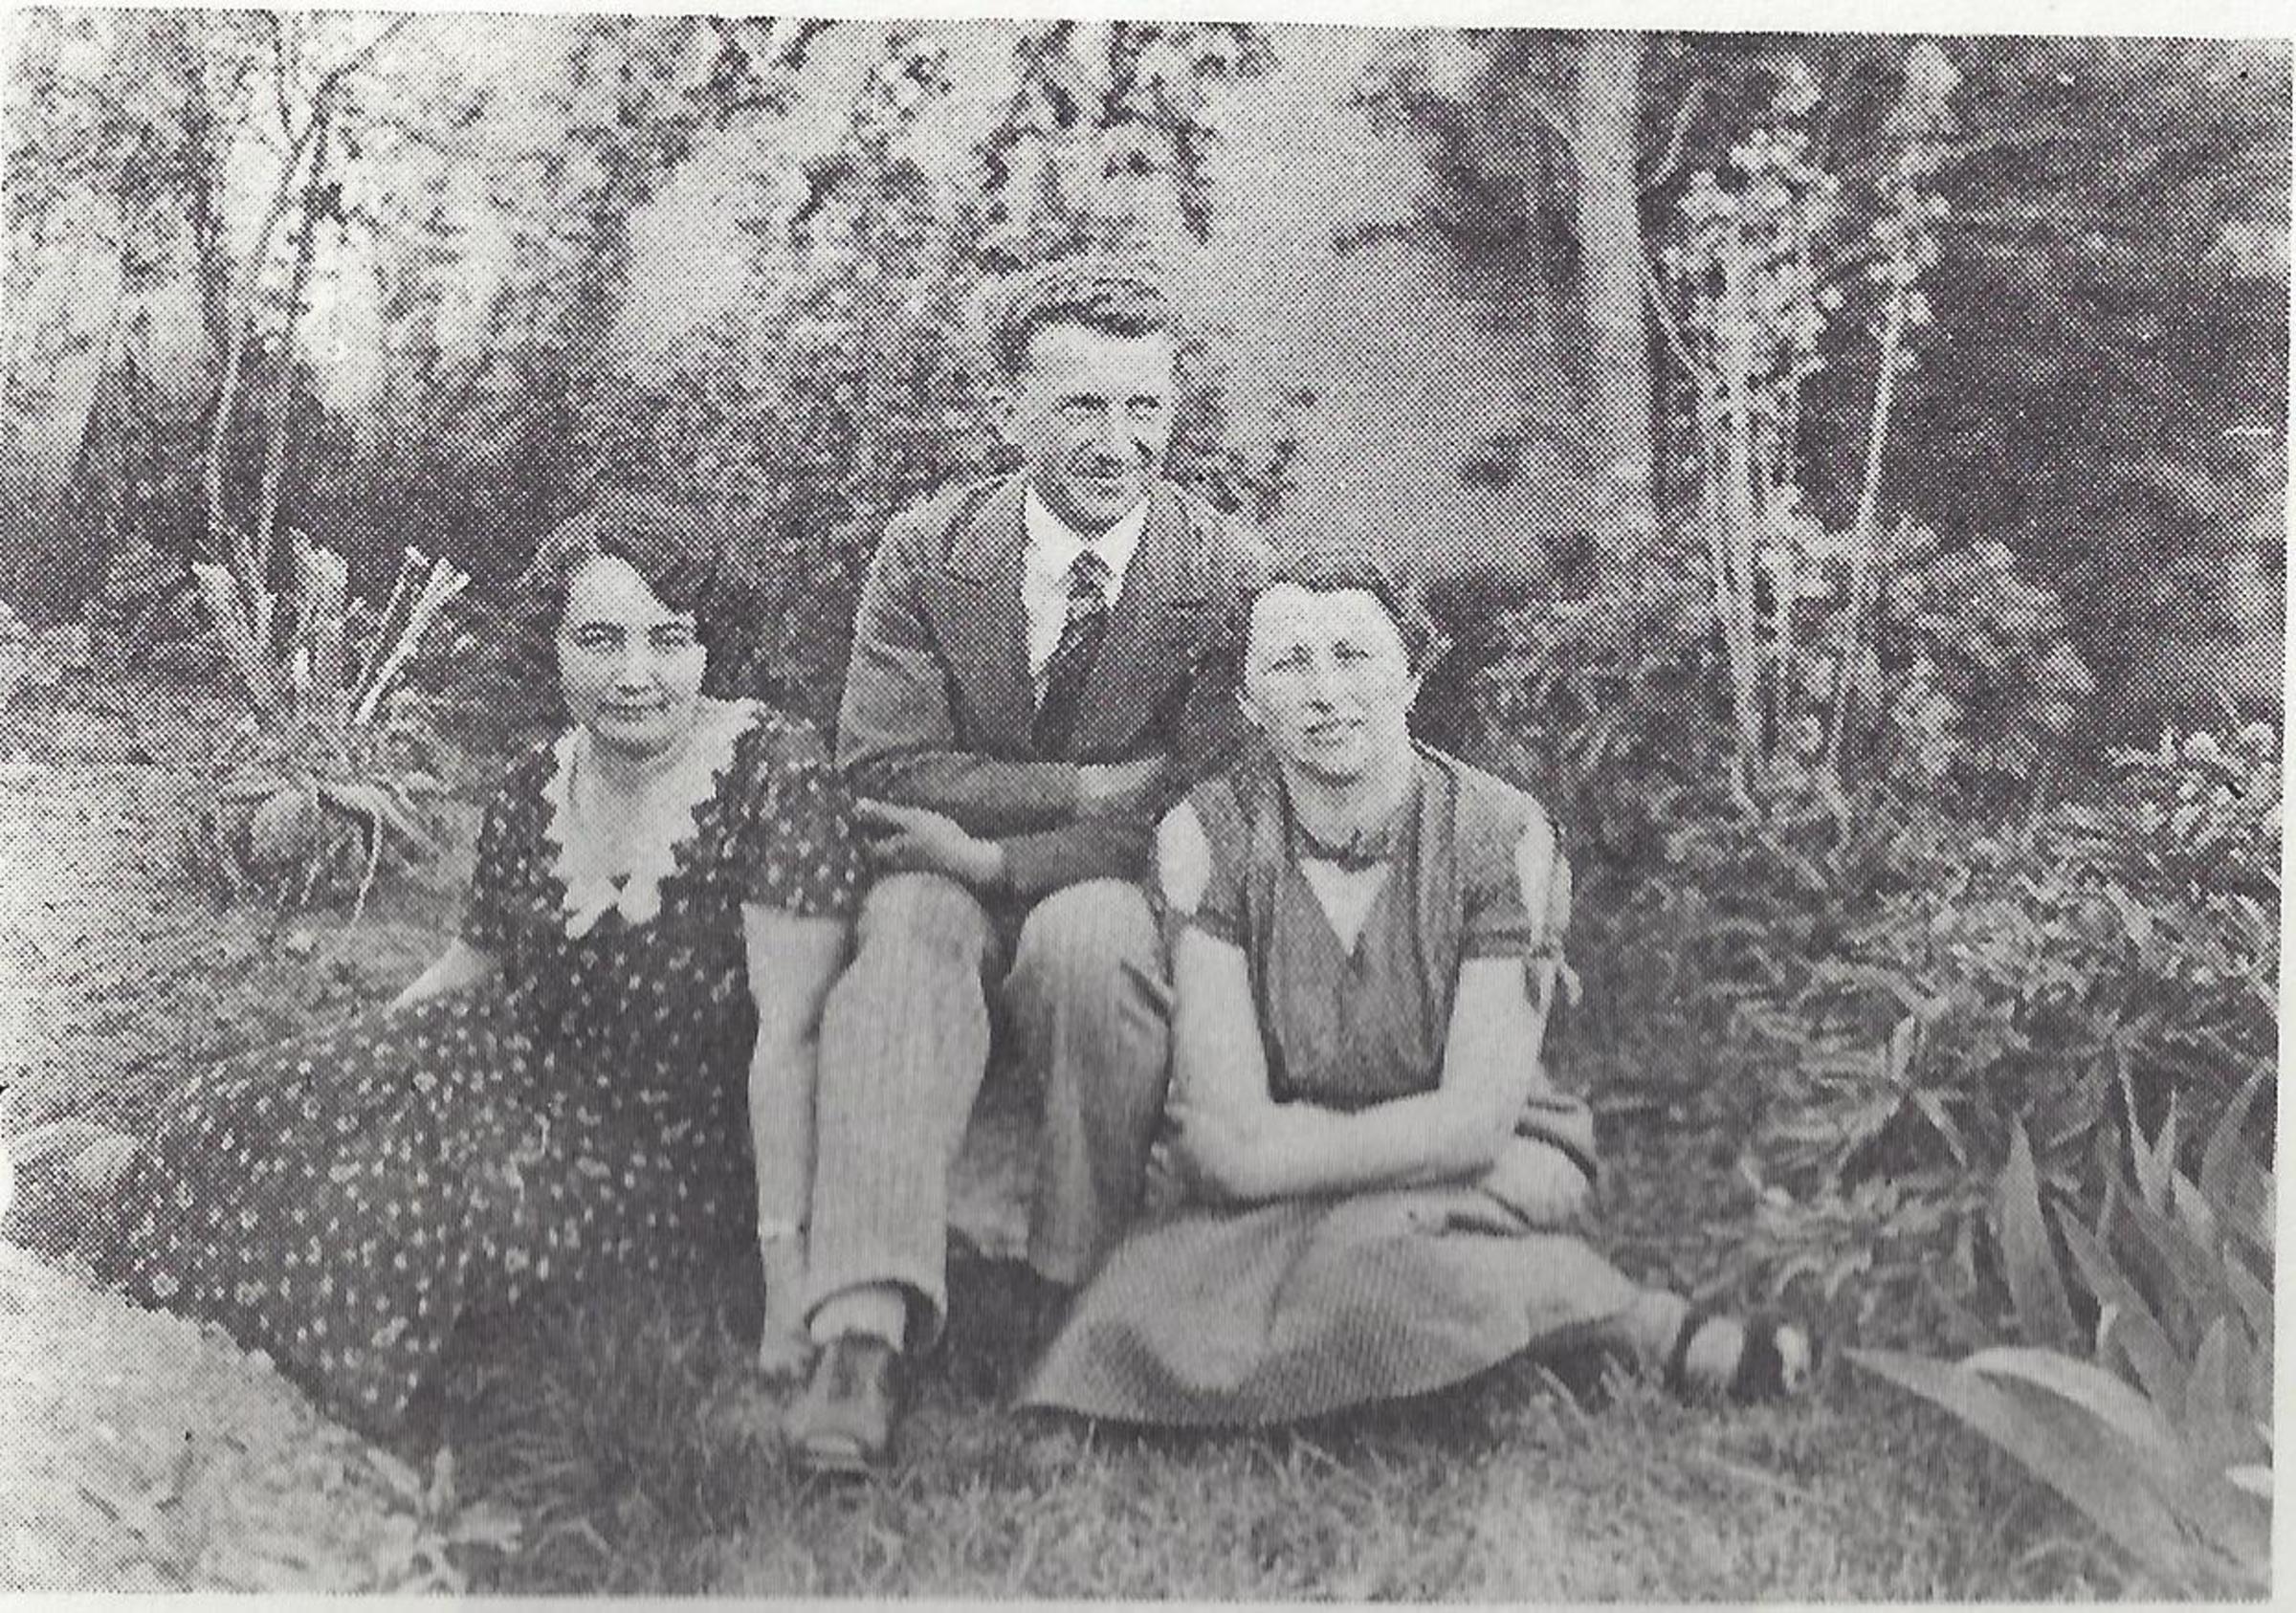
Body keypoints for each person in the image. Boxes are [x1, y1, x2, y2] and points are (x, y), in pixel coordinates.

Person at [4, 493, 862, 1434]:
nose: (635, 675)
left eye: (669, 640)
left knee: (391, 1211)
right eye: (600, 640)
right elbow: (468, 966)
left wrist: (786, 1275)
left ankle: (188, 1265)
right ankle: (112, 1191)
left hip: (674, 1151)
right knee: (226, 1109)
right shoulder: (537, 784)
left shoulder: (773, 772)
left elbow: (791, 1038)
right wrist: (333, 1077)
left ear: (708, 644)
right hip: (509, 1076)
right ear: (553, 647)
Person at [1020, 549, 1813, 1426]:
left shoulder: (1503, 834)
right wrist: (1262, 1157)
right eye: (1289, 663)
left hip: (1484, 1157)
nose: (1325, 693)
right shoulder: (1206, 838)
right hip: (1293, 1168)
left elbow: (1471, 1122)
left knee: (1335, 1256)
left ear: (1412, 676)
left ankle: (1604, 1332)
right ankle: (1560, 1331)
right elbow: (1227, 1129)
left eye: (1353, 655)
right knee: (1144, 1302)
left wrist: (1276, 1159)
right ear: (1247, 702)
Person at [785, 257, 1267, 1472]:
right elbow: (885, 766)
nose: (1117, 443)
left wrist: (1004, 853)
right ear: (1011, 412)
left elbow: (1199, 805)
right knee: (905, 943)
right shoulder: (927, 551)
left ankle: (1077, 1299)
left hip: (1103, 880)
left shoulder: (1223, 575)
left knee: (1093, 947)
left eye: (1144, 408)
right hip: (934, 874)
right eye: (1081, 406)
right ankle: (862, 1327)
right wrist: (1080, 789)